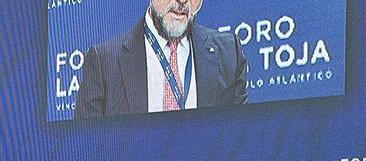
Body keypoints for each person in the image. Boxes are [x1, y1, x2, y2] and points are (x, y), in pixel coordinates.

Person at [75, 0, 248, 119]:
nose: (182, 1)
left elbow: (239, 140)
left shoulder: (229, 54)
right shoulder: (104, 62)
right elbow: (86, 151)